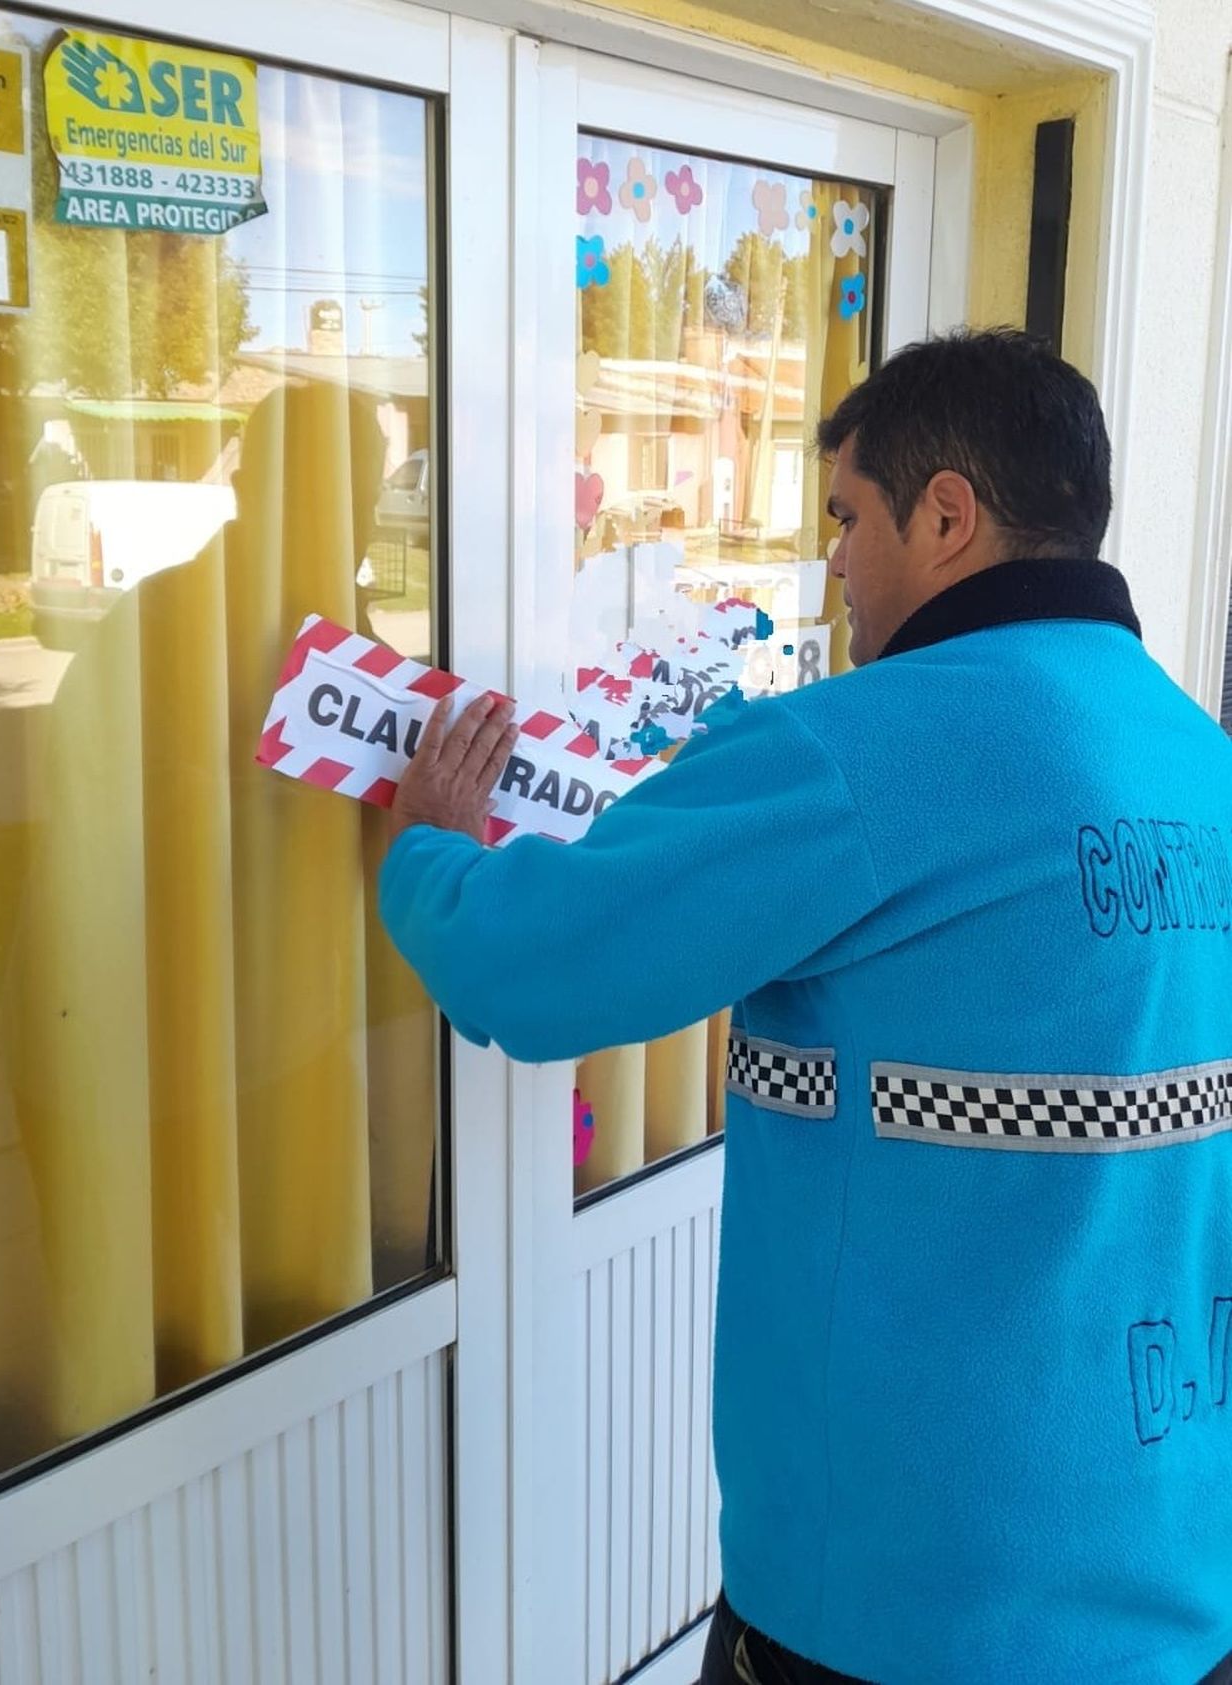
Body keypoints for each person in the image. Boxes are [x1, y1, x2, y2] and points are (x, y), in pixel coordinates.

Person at [378, 329, 1232, 1684]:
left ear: (945, 514)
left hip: (911, 1613)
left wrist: (429, 849)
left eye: (847, 517)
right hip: (1168, 1582)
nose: (832, 564)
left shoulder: (864, 750)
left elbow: (530, 968)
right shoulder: (1197, 759)